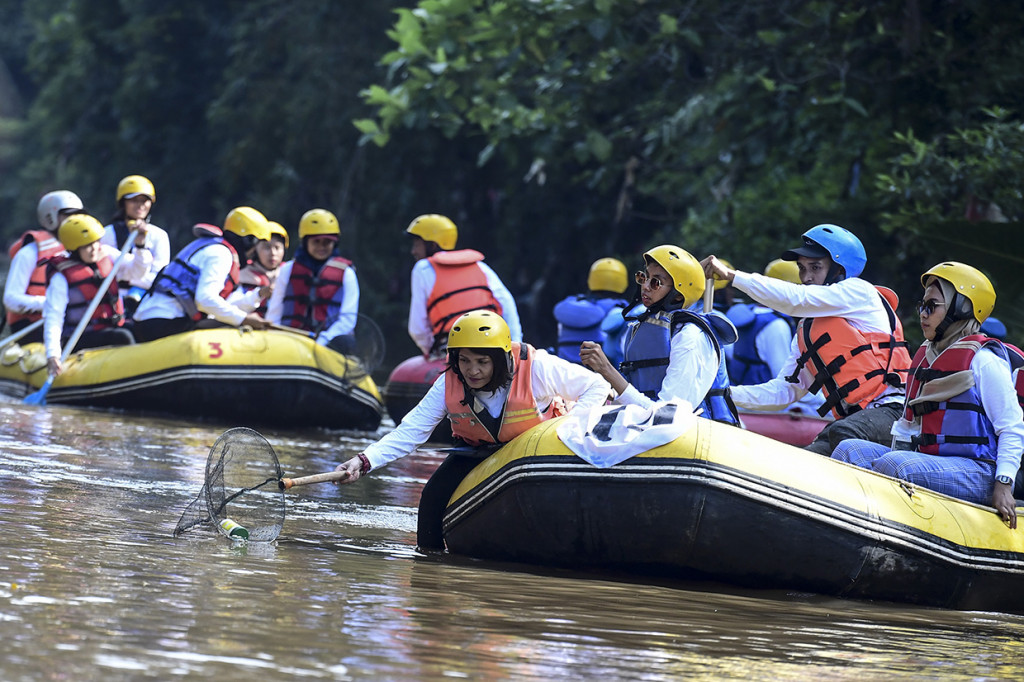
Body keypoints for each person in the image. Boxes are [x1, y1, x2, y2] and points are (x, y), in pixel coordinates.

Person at [332, 310, 611, 549]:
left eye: (482, 362)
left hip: (538, 450)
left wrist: (572, 431)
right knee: (431, 498)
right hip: (479, 451)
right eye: (464, 360)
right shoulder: (447, 382)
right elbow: (411, 431)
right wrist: (362, 461)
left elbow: (597, 385)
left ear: (500, 359)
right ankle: (430, 566)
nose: (471, 371)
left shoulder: (538, 368)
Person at [832, 262, 1024, 528]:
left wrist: (1003, 485)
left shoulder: (984, 361)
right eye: (922, 305)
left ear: (962, 309)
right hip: (932, 462)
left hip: (980, 471)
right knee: (849, 450)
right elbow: (907, 424)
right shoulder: (925, 356)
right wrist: (884, 458)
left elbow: (1012, 427)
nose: (923, 314)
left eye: (931, 306)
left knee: (896, 465)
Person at [702, 223, 913, 456]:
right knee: (808, 457)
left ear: (839, 270)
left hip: (894, 412)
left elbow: (797, 300)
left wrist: (732, 276)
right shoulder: (807, 328)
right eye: (802, 268)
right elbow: (785, 391)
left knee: (842, 434)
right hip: (853, 420)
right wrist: (723, 392)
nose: (806, 277)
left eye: (815, 267)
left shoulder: (860, 293)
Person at [579, 245, 739, 424]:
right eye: (644, 277)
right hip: (646, 428)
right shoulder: (638, 326)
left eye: (656, 282)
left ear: (677, 296)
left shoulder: (691, 337)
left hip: (693, 435)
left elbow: (666, 416)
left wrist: (607, 370)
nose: (645, 286)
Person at [132, 206, 272, 342]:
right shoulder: (221, 254)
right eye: (256, 244)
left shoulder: (212, 246)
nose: (254, 252)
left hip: (148, 320)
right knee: (231, 328)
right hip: (163, 322)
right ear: (248, 241)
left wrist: (256, 296)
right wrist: (243, 319)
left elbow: (222, 305)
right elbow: (204, 300)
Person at [43, 214, 152, 376]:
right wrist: (53, 355)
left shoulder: (106, 253)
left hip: (112, 325)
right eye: (87, 245)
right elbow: (54, 317)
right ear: (74, 248)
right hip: (80, 336)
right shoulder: (61, 277)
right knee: (123, 336)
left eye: (95, 242)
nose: (94, 248)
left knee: (143, 328)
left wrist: (140, 246)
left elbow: (137, 272)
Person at [405, 214, 522, 357]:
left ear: (432, 245)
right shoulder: (480, 266)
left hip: (452, 347)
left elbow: (417, 329)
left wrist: (430, 351)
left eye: (417, 244)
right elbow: (507, 304)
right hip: (493, 343)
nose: (413, 251)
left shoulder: (422, 269)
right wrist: (515, 345)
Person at [266, 209, 359, 353]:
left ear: (335, 243)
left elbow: (348, 320)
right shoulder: (288, 270)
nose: (321, 247)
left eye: (327, 242)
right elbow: (275, 312)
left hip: (328, 344)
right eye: (316, 242)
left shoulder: (347, 273)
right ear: (305, 241)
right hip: (289, 340)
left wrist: (323, 341)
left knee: (348, 342)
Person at [4, 191, 85, 343]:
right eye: (68, 216)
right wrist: (49, 303)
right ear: (50, 218)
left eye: (78, 215)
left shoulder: (83, 250)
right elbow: (10, 299)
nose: (74, 221)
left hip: (67, 322)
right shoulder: (29, 253)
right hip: (33, 326)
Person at [98, 175, 171, 315]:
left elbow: (158, 276)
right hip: (110, 299)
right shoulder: (107, 233)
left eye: (144, 200)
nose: (140, 205)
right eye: (134, 200)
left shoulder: (159, 236)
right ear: (123, 203)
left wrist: (129, 279)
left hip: (145, 300)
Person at [725, 259, 800, 386]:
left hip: (740, 397)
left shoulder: (749, 312)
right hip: (764, 401)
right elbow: (784, 380)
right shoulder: (777, 326)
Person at [552, 257, 630, 364]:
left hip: (564, 374)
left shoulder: (571, 309)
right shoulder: (617, 312)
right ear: (623, 282)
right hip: (598, 376)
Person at [232, 220, 288, 316]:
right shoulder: (242, 275)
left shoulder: (289, 272)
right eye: (266, 247)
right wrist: (259, 294)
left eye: (277, 248)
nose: (273, 253)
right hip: (251, 328)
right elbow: (230, 306)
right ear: (255, 249)